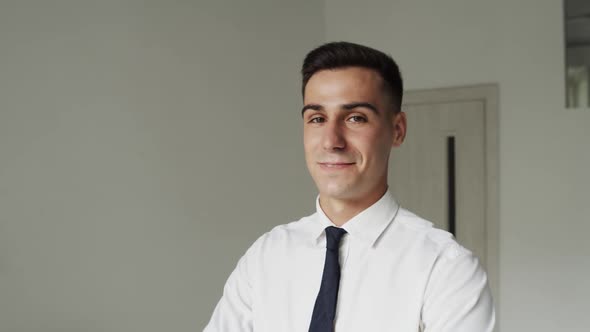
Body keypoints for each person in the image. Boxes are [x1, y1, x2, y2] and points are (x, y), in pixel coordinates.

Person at [204, 41, 495, 332]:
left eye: (356, 118)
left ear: (397, 130)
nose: (332, 141)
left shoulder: (446, 269)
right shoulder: (266, 257)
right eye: (317, 118)